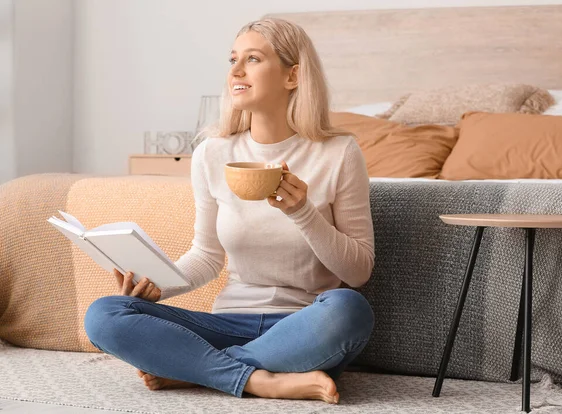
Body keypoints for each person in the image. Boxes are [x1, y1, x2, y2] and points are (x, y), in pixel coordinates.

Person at [84, 17, 375, 405]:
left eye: (252, 59)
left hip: (303, 327)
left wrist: (303, 212)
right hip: (225, 323)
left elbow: (357, 272)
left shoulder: (338, 154)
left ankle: (196, 370)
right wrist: (157, 286)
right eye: (233, 59)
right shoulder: (212, 153)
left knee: (350, 310)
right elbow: (206, 257)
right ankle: (259, 380)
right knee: (105, 314)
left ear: (293, 75)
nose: (235, 71)